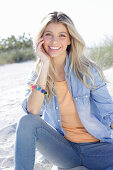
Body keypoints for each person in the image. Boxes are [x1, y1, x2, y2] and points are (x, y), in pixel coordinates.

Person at [15, 11, 113, 170]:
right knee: (25, 122)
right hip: (65, 152)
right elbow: (32, 111)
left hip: (98, 149)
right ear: (41, 39)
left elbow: (109, 113)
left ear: (69, 40)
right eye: (49, 35)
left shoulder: (88, 71)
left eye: (62, 35)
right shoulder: (37, 75)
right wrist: (45, 64)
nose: (55, 41)